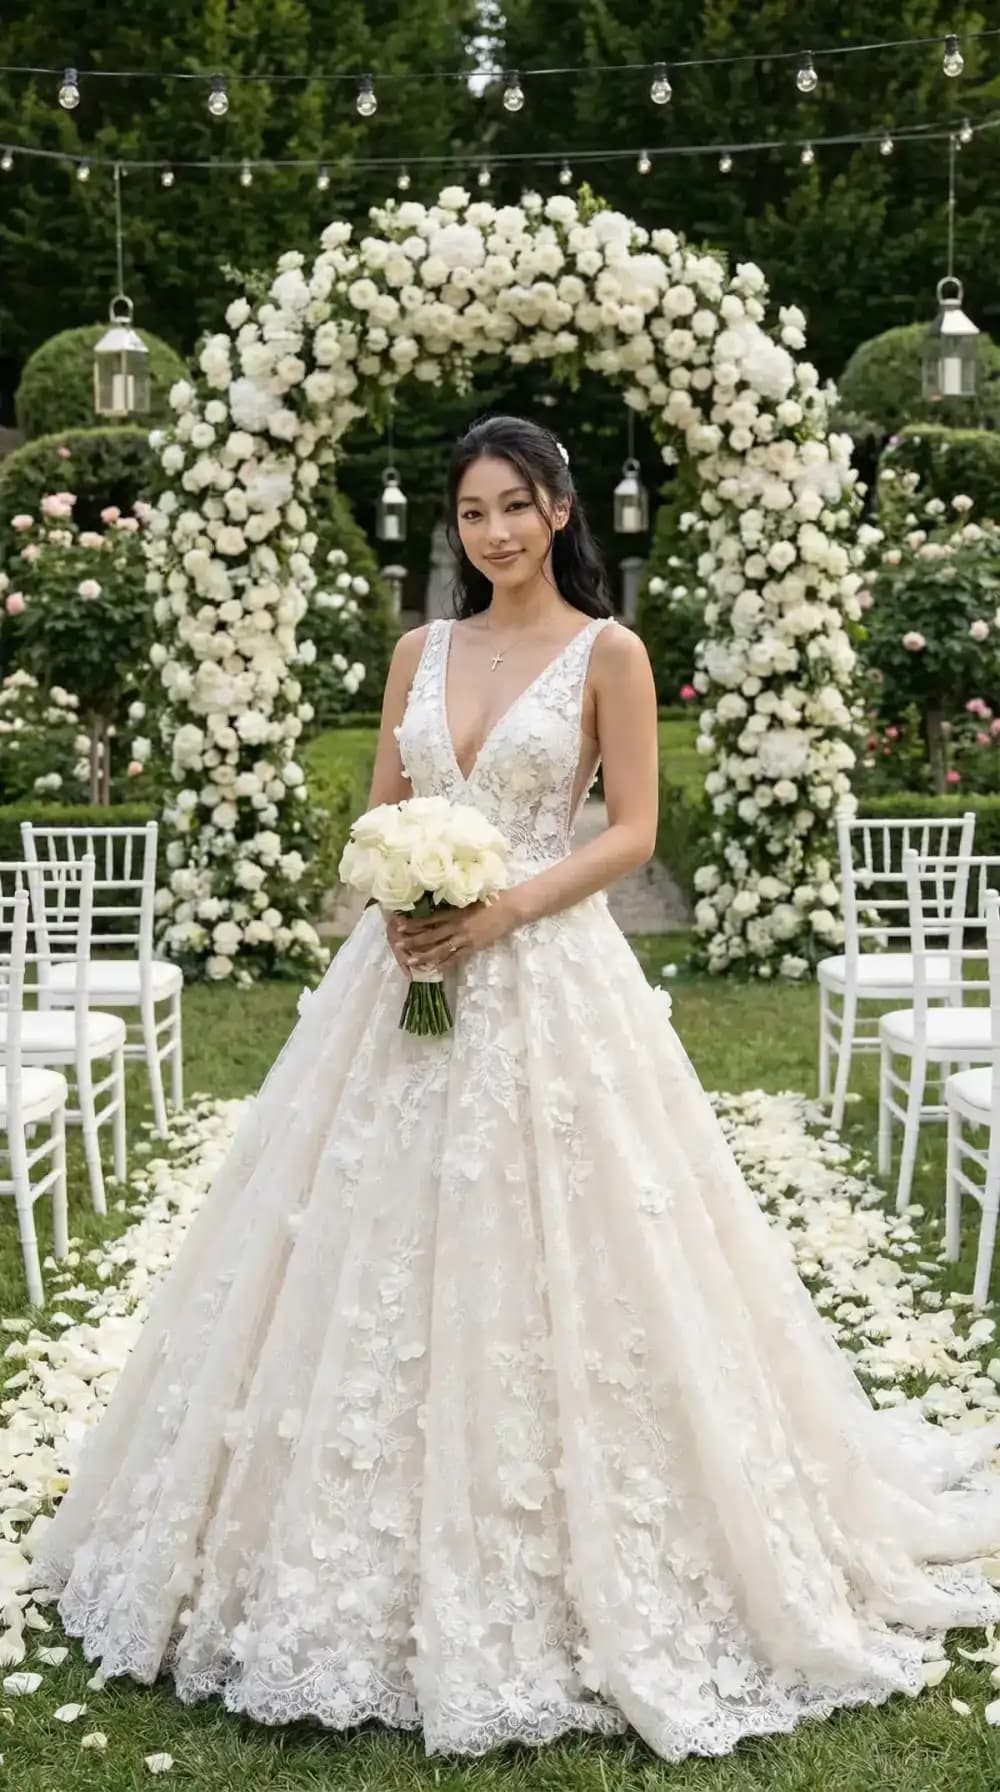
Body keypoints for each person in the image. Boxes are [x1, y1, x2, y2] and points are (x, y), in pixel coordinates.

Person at [28, 413, 1000, 1764]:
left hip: (549, 983)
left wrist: (499, 911)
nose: (491, 531)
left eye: (513, 505)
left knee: (575, 1255)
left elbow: (636, 832)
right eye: (470, 511)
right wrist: (400, 902)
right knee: (349, 1253)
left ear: (557, 510)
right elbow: (379, 810)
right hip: (401, 981)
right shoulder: (418, 649)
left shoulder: (611, 652)